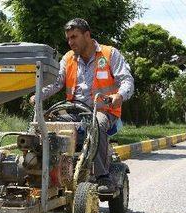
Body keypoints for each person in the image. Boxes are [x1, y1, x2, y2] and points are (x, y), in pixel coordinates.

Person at [30, 18, 134, 193]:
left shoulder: (110, 54)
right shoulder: (68, 58)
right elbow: (57, 83)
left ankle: (103, 177)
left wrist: (119, 95)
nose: (70, 42)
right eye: (68, 38)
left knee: (96, 124)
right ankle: (42, 170)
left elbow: (127, 80)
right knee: (45, 124)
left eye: (74, 37)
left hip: (103, 111)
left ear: (87, 35)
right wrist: (38, 95)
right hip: (74, 111)